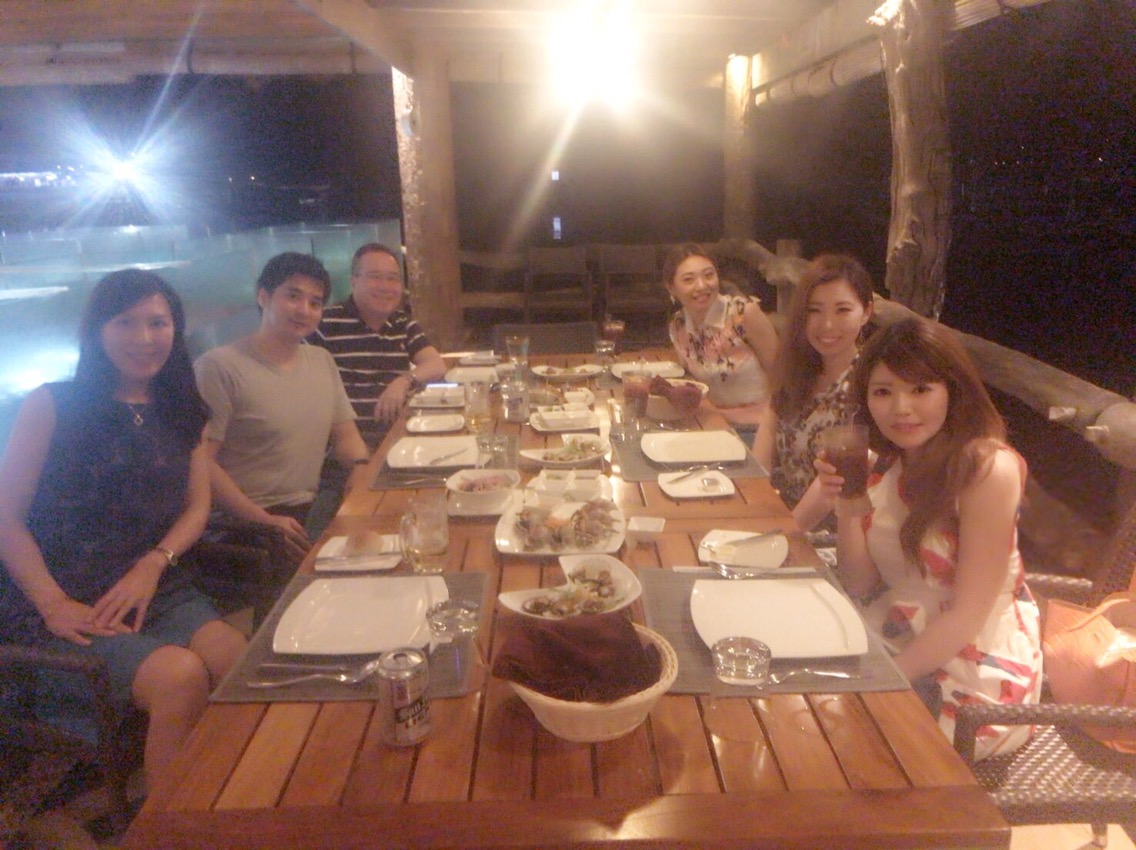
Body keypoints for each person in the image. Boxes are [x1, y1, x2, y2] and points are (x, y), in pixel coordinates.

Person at [0, 269, 247, 791]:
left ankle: (227, 794)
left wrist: (154, 563)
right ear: (97, 331)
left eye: (158, 323)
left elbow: (197, 508)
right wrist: (52, 602)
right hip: (65, 598)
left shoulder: (185, 410)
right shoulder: (52, 403)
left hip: (156, 588)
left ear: (176, 329)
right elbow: (6, 518)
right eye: (125, 322)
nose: (144, 338)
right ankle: (169, 825)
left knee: (235, 659)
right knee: (180, 678)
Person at [827, 317, 1042, 759]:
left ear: (952, 390)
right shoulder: (888, 462)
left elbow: (968, 615)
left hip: (971, 664)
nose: (901, 408)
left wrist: (883, 680)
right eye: (883, 392)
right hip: (894, 630)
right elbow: (860, 583)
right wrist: (848, 500)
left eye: (920, 389)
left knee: (851, 744)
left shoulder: (986, 469)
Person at [194, 252, 369, 561]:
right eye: (293, 296)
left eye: (315, 303)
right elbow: (202, 463)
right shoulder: (219, 366)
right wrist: (264, 521)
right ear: (263, 296)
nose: (304, 310)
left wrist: (361, 468)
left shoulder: (320, 360)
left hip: (311, 508)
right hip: (244, 525)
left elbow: (345, 436)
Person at [754, 254, 874, 532]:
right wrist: (755, 510)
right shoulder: (796, 371)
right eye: (814, 310)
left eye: (842, 310)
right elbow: (765, 444)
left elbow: (833, 484)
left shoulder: (870, 383)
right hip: (782, 517)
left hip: (836, 534)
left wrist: (782, 535)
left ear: (866, 312)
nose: (827, 324)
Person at [313, 243, 446, 448]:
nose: (385, 286)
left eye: (392, 278)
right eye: (375, 277)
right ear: (354, 281)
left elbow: (436, 364)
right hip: (345, 450)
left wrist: (403, 381)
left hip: (401, 442)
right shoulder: (325, 323)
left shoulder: (402, 323)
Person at [663, 243, 778, 442]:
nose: (702, 285)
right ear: (671, 288)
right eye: (689, 279)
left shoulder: (743, 314)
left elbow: (783, 379)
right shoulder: (678, 326)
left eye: (708, 275)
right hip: (710, 423)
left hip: (758, 429)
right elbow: (693, 383)